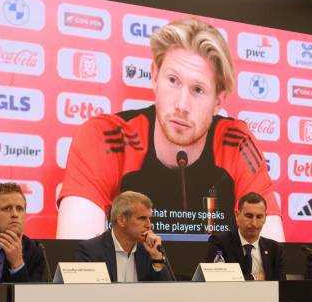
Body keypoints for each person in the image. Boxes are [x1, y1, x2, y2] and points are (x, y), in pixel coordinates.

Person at [57, 18, 283, 242]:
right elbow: (78, 261)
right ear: (155, 77)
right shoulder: (104, 137)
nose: (182, 105)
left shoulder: (236, 143)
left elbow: (270, 257)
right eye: (173, 80)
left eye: (198, 89)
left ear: (218, 101)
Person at [76, 191, 172, 282]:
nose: (149, 225)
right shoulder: (91, 251)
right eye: (142, 218)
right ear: (122, 220)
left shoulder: (150, 250)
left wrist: (157, 259)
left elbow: (169, 293)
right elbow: (87, 294)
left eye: (149, 218)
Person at [205, 192, 285, 280]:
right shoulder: (219, 243)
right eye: (249, 216)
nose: (254, 223)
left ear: (265, 218)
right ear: (237, 215)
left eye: (259, 217)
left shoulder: (275, 249)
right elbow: (214, 279)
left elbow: (282, 287)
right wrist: (253, 277)